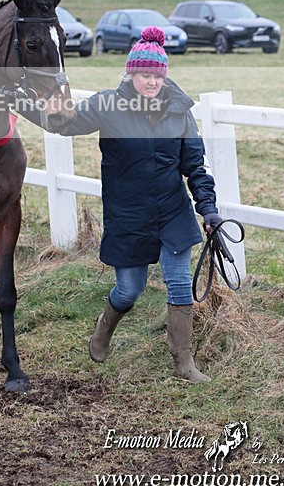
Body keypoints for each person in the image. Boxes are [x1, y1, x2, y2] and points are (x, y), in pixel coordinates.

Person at [22, 25, 222, 383]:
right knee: (130, 290)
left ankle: (184, 364)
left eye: (157, 75)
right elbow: (64, 124)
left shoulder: (179, 110)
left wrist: (208, 208)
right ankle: (105, 326)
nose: (151, 82)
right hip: (128, 213)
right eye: (144, 74)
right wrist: (36, 103)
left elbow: (195, 164)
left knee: (178, 284)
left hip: (171, 211)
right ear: (131, 74)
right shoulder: (107, 105)